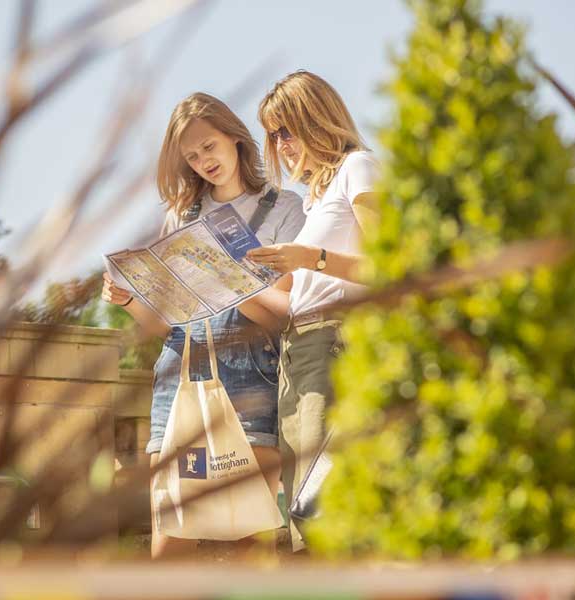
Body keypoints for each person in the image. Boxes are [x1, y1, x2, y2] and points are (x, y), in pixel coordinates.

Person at [100, 92, 305, 558]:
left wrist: (228, 282)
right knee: (169, 539)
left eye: (208, 147)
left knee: (251, 534)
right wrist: (129, 298)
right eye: (191, 157)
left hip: (252, 376)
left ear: (235, 138)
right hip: (181, 373)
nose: (203, 162)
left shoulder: (286, 209)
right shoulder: (180, 215)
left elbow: (286, 309)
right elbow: (164, 323)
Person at [245, 70, 380, 553]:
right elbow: (294, 303)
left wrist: (311, 259)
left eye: (287, 129)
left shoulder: (358, 168)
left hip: (334, 348)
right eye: (273, 134)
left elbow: (390, 266)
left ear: (317, 118)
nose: (280, 144)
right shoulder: (314, 199)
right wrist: (233, 287)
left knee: (326, 507)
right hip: (296, 353)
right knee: (302, 513)